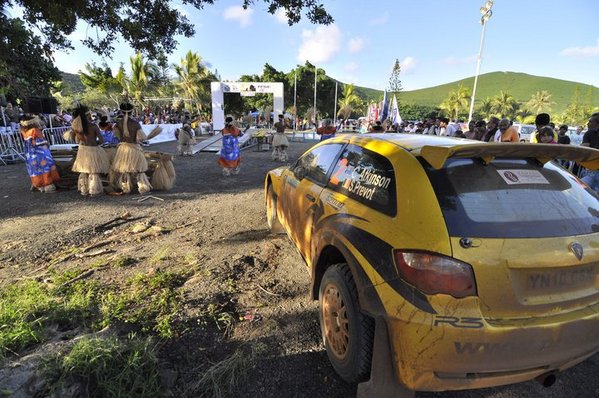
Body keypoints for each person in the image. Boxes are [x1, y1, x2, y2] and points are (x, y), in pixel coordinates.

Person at [65, 105, 110, 196]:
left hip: (82, 150)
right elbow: (101, 140)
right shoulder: (93, 126)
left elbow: (74, 140)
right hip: (93, 149)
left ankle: (84, 190)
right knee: (93, 170)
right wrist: (95, 143)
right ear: (88, 115)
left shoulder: (76, 127)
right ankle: (94, 190)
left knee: (84, 170)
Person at [111, 101, 152, 194]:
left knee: (124, 169)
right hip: (134, 148)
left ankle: (125, 188)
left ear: (121, 112)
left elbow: (117, 136)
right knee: (139, 169)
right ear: (131, 111)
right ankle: (143, 188)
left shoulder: (118, 124)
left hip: (123, 149)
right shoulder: (136, 124)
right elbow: (140, 139)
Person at [19, 115, 60, 193]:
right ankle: (48, 185)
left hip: (30, 154)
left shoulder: (23, 131)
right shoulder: (35, 130)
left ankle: (39, 185)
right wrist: (47, 143)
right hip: (40, 153)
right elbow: (40, 141)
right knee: (46, 166)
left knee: (35, 169)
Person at [580, 113, 599, 190]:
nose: (588, 124)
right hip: (591, 170)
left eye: (590, 122)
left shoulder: (589, 133)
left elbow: (584, 150)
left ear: (597, 123)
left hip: (591, 169)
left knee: (581, 191)